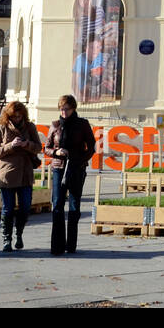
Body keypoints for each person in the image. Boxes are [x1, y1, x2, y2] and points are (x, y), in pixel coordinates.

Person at [44, 94, 97, 256]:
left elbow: (92, 147)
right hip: (59, 168)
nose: (63, 112)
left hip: (76, 168)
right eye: (61, 109)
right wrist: (56, 151)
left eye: (66, 109)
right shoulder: (54, 125)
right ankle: (57, 246)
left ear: (73, 108)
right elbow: (46, 148)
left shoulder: (82, 124)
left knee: (74, 206)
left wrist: (79, 160)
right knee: (58, 205)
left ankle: (71, 244)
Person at [0, 101, 43, 253]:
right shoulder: (2, 128)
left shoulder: (30, 127)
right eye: (14, 116)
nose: (17, 119)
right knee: (8, 209)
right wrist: (11, 146)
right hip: (7, 174)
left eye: (20, 116)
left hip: (25, 173)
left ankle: (18, 233)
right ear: (9, 115)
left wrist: (27, 144)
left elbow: (39, 147)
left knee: (25, 207)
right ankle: (7, 238)